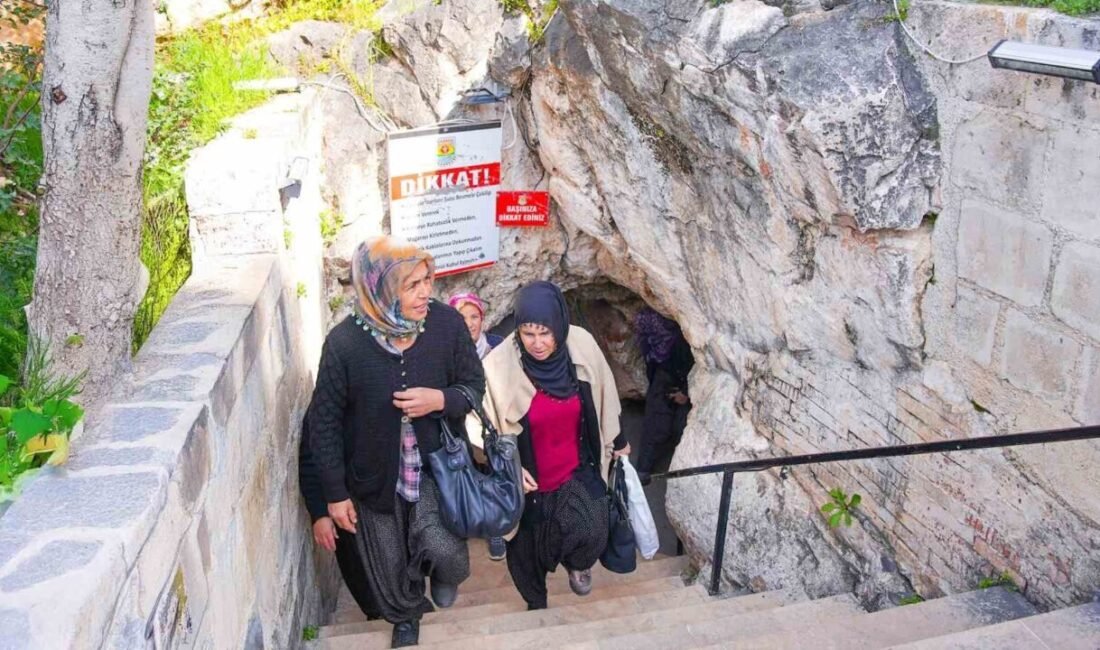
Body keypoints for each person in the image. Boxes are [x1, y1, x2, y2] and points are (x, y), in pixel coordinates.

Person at [308, 236, 485, 648]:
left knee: (447, 551)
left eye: (427, 280)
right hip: (373, 479)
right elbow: (324, 424)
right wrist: (334, 495)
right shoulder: (344, 345)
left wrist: (441, 400)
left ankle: (441, 574)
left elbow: (474, 386)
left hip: (435, 471)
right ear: (381, 290)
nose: (425, 292)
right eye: (411, 285)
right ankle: (407, 615)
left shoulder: (446, 324)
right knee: (388, 563)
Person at [472, 281, 630, 611]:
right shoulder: (499, 365)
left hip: (575, 468)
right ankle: (536, 605)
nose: (537, 343)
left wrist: (619, 440)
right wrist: (508, 466)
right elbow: (479, 423)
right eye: (528, 334)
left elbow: (604, 391)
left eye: (545, 333)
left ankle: (577, 562)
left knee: (592, 528)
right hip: (529, 482)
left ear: (559, 325)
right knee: (527, 555)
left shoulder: (580, 344)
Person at [299, 410, 381, 621]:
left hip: (386, 501)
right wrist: (320, 515)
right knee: (359, 570)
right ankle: (376, 615)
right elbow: (310, 461)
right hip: (345, 510)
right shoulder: (325, 408)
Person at [447, 291, 509, 562]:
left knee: (494, 471)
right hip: (460, 423)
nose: (470, 323)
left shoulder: (497, 346)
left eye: (475, 316)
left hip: (494, 422)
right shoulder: (446, 351)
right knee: (465, 474)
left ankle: (495, 527)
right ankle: (468, 520)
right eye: (462, 317)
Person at [633, 307, 694, 484]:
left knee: (670, 426)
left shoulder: (676, 343)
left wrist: (685, 392)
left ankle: (647, 470)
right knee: (656, 426)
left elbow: (690, 366)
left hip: (677, 381)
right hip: (664, 380)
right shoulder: (657, 340)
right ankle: (643, 471)